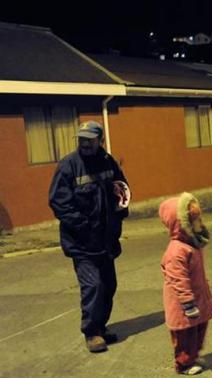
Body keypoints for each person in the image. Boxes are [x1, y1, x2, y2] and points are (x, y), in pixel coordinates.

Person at [48, 120, 129, 353]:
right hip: (82, 242)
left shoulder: (107, 161)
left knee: (108, 285)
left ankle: (101, 327)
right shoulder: (68, 166)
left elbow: (121, 187)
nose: (84, 143)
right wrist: (83, 225)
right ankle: (91, 332)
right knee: (93, 285)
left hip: (106, 240)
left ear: (99, 141)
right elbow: (58, 202)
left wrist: (121, 210)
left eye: (89, 140)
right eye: (81, 139)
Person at [159, 193, 212, 375]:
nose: (200, 222)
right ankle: (183, 363)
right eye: (195, 219)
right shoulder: (177, 251)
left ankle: (193, 356)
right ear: (182, 224)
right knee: (185, 334)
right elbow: (178, 279)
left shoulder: (192, 244)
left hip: (197, 297)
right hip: (183, 303)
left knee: (199, 328)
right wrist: (187, 302)